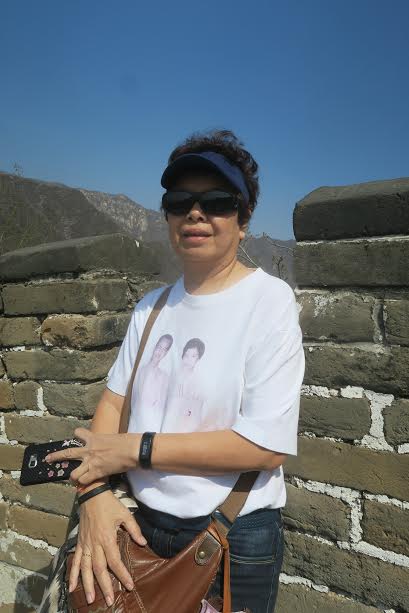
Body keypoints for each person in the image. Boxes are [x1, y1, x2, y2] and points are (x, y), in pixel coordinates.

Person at [45, 129, 305, 613]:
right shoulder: (152, 308)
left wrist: (135, 449)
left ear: (244, 218)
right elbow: (113, 404)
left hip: (228, 534)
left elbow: (266, 445)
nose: (195, 213)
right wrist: (95, 494)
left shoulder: (269, 302)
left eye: (217, 201)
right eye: (180, 201)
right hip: (136, 519)